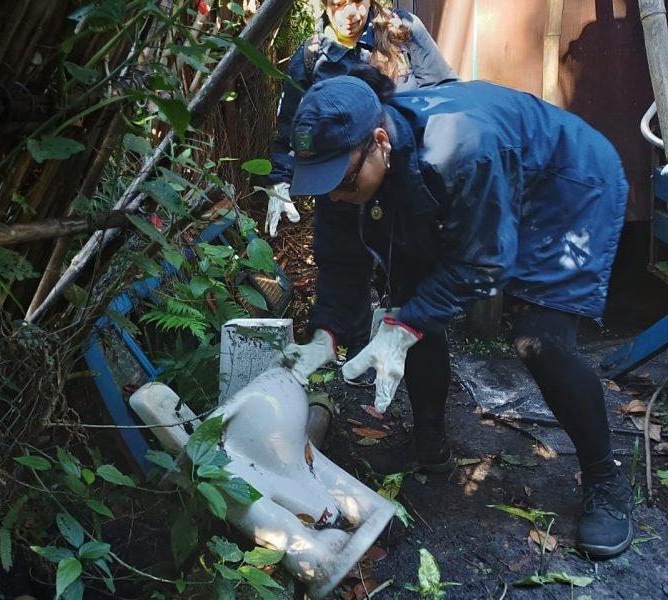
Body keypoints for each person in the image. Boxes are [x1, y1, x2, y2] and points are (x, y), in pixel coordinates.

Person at [279, 68, 632, 559]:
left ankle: (606, 480)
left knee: (540, 340)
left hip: (567, 186)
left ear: (379, 141)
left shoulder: (462, 148)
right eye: (321, 182)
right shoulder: (348, 165)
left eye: (340, 180)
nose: (333, 195)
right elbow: (341, 260)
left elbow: (483, 263)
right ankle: (429, 448)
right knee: (411, 300)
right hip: (489, 184)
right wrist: (327, 335)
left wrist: (401, 331)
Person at [264, 0, 456, 387]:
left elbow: (444, 94)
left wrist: (417, 143)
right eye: (339, 2)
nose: (352, 12)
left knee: (408, 286)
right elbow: (292, 126)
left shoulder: (402, 31)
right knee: (341, 261)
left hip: (399, 179)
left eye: (359, 1)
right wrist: (280, 180)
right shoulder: (311, 53)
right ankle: (351, 355)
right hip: (337, 183)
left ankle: (428, 431)